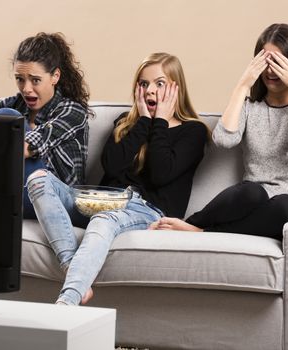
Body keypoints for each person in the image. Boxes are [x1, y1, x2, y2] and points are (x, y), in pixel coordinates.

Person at [27, 52, 209, 305]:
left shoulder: (194, 131)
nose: (150, 91)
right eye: (144, 84)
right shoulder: (126, 123)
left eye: (159, 83)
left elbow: (160, 173)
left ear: (177, 88)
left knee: (104, 219)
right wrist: (144, 120)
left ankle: (66, 304)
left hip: (144, 209)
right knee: (38, 179)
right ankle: (72, 268)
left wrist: (161, 123)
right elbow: (112, 166)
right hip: (99, 199)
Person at [150, 23, 288, 240]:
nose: (270, 70)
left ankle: (201, 232)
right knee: (250, 191)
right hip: (252, 205)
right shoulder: (251, 106)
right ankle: (193, 224)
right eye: (265, 61)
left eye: (278, 62)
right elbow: (223, 140)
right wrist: (243, 86)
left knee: (286, 204)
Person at [0, 32, 90, 219]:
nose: (26, 88)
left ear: (55, 76)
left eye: (35, 80)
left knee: (8, 117)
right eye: (20, 79)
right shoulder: (16, 102)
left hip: (57, 200)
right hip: (15, 189)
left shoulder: (73, 111)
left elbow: (27, 147)